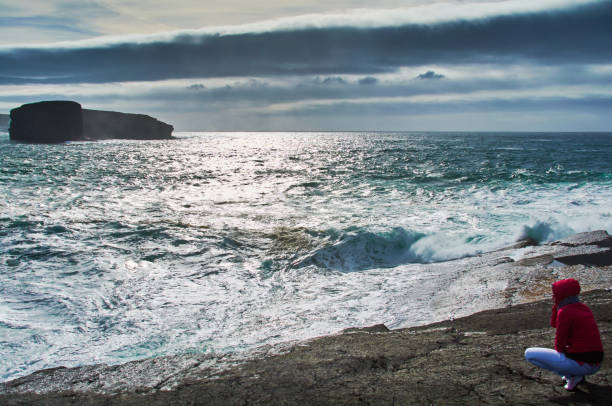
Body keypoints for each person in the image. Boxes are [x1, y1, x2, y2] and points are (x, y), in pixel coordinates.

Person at [524, 278, 604, 391]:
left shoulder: (565, 312)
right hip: (595, 363)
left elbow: (559, 345)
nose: (553, 296)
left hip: (582, 364)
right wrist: (558, 306)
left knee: (529, 354)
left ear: (562, 294)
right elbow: (556, 324)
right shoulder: (583, 308)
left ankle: (572, 376)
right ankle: (576, 375)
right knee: (564, 353)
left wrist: (558, 307)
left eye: (555, 293)